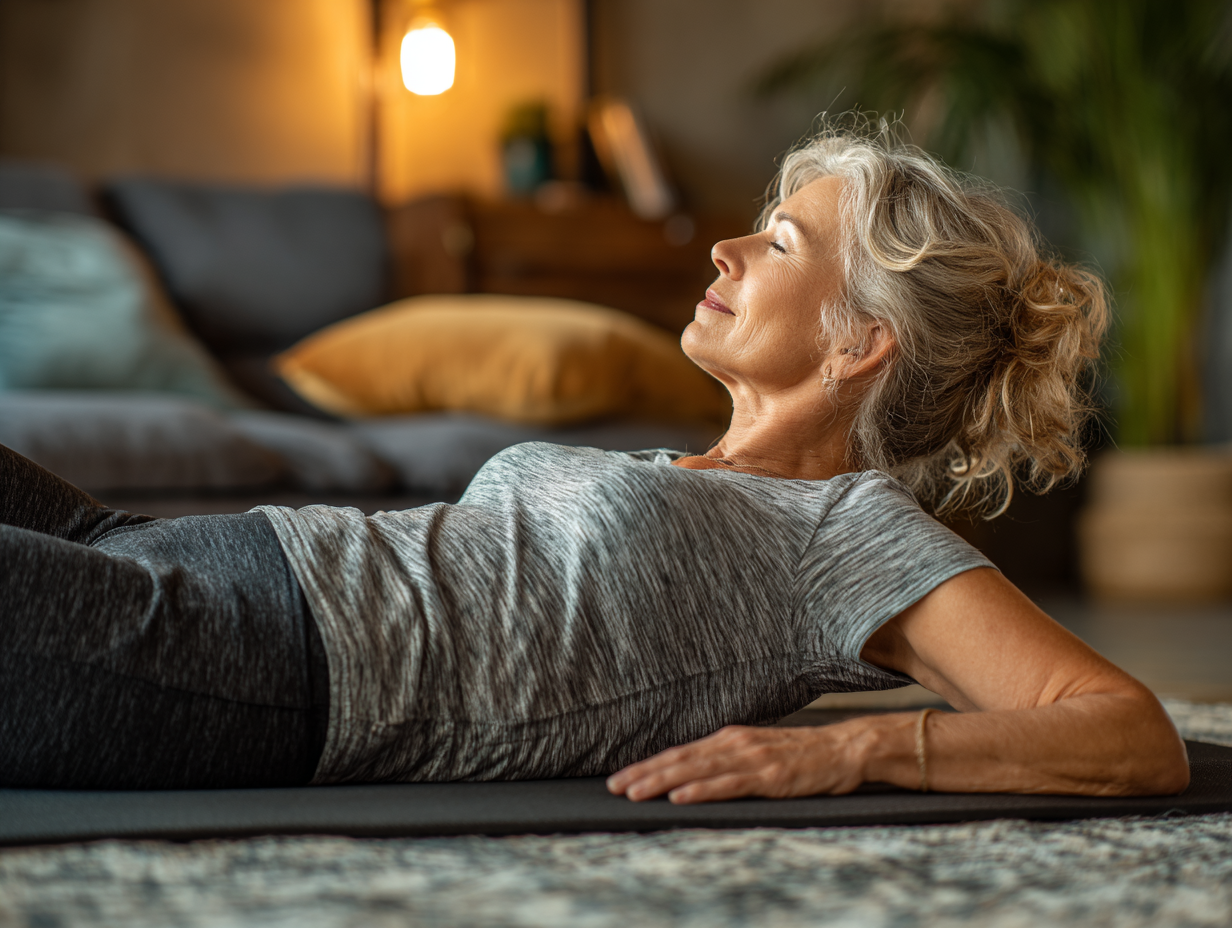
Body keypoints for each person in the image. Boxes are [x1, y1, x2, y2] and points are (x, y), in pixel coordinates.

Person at [0, 126, 1189, 800]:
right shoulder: (687, 459)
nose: (723, 247)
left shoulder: (844, 531)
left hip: (242, 662)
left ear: (858, 341)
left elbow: (1126, 730)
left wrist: (845, 747)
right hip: (161, 551)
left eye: (773, 242)